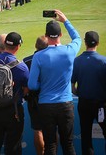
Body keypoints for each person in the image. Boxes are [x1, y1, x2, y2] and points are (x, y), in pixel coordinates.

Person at [28, 10, 81, 155]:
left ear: (46, 36)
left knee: (51, 145)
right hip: (65, 105)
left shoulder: (38, 56)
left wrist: (43, 85)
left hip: (46, 106)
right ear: (61, 35)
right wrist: (65, 21)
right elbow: (77, 38)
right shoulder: (70, 51)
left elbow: (32, 85)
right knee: (68, 144)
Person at [0, 32, 29, 155]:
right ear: (18, 46)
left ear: (4, 44)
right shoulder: (22, 67)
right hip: (13, 111)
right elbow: (26, 89)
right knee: (13, 147)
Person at [71, 31, 106, 155]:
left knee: (85, 136)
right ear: (98, 43)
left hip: (84, 104)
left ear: (85, 42)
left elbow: (72, 86)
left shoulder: (77, 61)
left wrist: (78, 93)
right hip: (101, 105)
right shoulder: (103, 61)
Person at [23, 36, 48, 155]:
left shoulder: (27, 60)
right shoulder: (53, 59)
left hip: (34, 100)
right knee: (51, 130)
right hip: (50, 99)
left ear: (35, 46)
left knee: (38, 130)